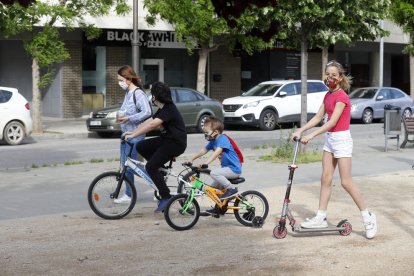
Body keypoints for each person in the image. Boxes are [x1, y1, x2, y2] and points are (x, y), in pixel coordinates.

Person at [291, 60, 377, 239]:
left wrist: (311, 136)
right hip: (331, 140)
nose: (329, 78)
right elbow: (318, 117)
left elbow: (332, 122)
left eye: (333, 75)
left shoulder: (342, 97)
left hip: (342, 140)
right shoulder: (327, 95)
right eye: (327, 74)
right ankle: (321, 216)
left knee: (346, 182)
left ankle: (368, 217)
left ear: (340, 78)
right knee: (326, 179)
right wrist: (301, 130)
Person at [124, 82, 187, 213]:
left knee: (150, 167)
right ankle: (161, 169)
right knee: (141, 145)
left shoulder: (169, 109)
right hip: (167, 140)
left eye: (152, 94)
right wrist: (132, 132)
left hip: (175, 143)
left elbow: (153, 124)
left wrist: (134, 134)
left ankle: (166, 197)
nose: (151, 97)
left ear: (155, 97)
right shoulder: (163, 108)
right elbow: (149, 121)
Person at [114, 65, 152, 204]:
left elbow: (147, 112)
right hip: (126, 135)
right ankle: (128, 194)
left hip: (136, 135)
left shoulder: (138, 94)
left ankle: (158, 183)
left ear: (128, 80)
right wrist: (121, 117)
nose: (119, 82)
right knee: (126, 166)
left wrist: (129, 118)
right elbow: (126, 111)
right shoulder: (128, 94)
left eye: (120, 79)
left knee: (133, 166)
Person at [188, 116, 242, 213]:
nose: (205, 134)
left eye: (207, 132)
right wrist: (191, 159)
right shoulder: (213, 141)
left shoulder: (223, 139)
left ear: (216, 131)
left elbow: (217, 152)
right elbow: (203, 150)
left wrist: (206, 163)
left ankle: (232, 189)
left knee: (214, 173)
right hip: (227, 170)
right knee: (212, 190)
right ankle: (220, 208)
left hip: (234, 169)